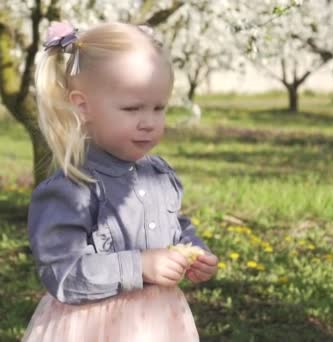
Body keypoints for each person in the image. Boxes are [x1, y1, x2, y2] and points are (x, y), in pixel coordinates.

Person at [22, 21, 219, 342]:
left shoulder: (158, 173)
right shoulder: (73, 188)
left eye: (159, 108)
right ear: (83, 107)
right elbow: (60, 274)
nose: (149, 123)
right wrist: (138, 266)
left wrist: (194, 250)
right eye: (132, 108)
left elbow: (175, 222)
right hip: (92, 326)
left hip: (158, 323)